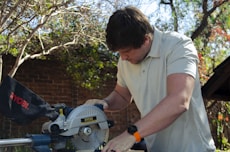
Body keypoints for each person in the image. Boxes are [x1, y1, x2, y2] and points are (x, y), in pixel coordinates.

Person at [85, 6, 216, 152]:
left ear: (146, 40)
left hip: (192, 148)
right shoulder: (125, 61)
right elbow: (122, 95)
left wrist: (132, 134)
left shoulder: (178, 46)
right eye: (119, 53)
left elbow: (179, 100)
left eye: (126, 51)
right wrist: (105, 103)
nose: (122, 58)